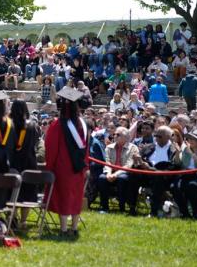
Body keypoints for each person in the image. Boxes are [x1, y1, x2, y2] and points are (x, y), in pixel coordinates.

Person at [45, 87, 88, 237]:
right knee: (76, 195)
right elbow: (86, 148)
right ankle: (74, 227)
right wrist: (85, 164)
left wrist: (49, 167)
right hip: (79, 168)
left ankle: (63, 229)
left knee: (63, 196)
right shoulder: (83, 124)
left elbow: (51, 148)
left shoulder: (58, 125)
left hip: (62, 168)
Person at [128, 126, 180, 217]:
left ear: (168, 137)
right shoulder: (148, 147)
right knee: (133, 175)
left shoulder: (174, 150)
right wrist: (138, 161)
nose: (156, 138)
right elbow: (138, 162)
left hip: (164, 177)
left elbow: (173, 167)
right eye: (155, 135)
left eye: (159, 136)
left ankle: (154, 211)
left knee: (158, 178)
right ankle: (132, 207)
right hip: (146, 174)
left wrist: (151, 169)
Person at [9, 99, 39, 228]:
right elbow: (36, 142)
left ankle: (13, 218)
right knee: (27, 192)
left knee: (12, 191)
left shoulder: (9, 125)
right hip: (29, 162)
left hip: (13, 163)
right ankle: (24, 221)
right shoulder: (32, 125)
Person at [96, 127, 138, 213]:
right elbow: (107, 162)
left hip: (125, 173)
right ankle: (104, 207)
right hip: (111, 171)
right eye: (114, 134)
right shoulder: (109, 147)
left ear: (126, 137)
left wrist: (116, 174)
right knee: (102, 178)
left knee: (121, 179)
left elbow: (128, 165)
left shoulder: (133, 148)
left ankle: (121, 207)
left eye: (118, 135)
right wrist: (108, 173)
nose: (115, 136)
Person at [173, 130, 197, 219]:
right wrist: (178, 153)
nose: (190, 140)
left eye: (194, 139)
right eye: (190, 138)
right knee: (174, 186)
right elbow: (177, 163)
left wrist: (192, 154)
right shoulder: (185, 149)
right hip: (185, 174)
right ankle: (184, 212)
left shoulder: (189, 150)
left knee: (192, 186)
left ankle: (195, 211)